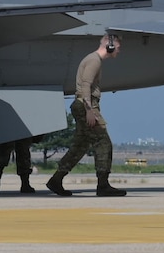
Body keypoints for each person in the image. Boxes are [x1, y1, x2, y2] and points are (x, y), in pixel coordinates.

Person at [47, 34, 125, 197]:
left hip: (82, 105)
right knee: (104, 143)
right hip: (86, 105)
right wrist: (89, 110)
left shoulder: (93, 60)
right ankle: (103, 185)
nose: (119, 51)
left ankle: (56, 180)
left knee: (80, 146)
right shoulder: (94, 60)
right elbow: (85, 85)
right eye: (118, 48)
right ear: (109, 46)